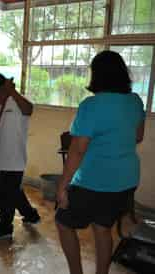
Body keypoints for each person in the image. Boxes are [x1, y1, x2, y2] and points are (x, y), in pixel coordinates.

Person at [55, 50, 145, 274]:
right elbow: (138, 137)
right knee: (102, 227)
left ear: (97, 75)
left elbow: (76, 150)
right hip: (126, 179)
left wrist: (62, 186)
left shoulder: (91, 105)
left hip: (95, 181)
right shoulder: (134, 101)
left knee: (63, 223)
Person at [0, 72, 40, 243]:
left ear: (2, 89)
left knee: (4, 195)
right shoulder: (1, 105)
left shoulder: (17, 101)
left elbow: (30, 109)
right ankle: (31, 216)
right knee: (14, 192)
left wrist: (12, 92)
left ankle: (5, 228)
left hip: (15, 159)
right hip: (5, 159)